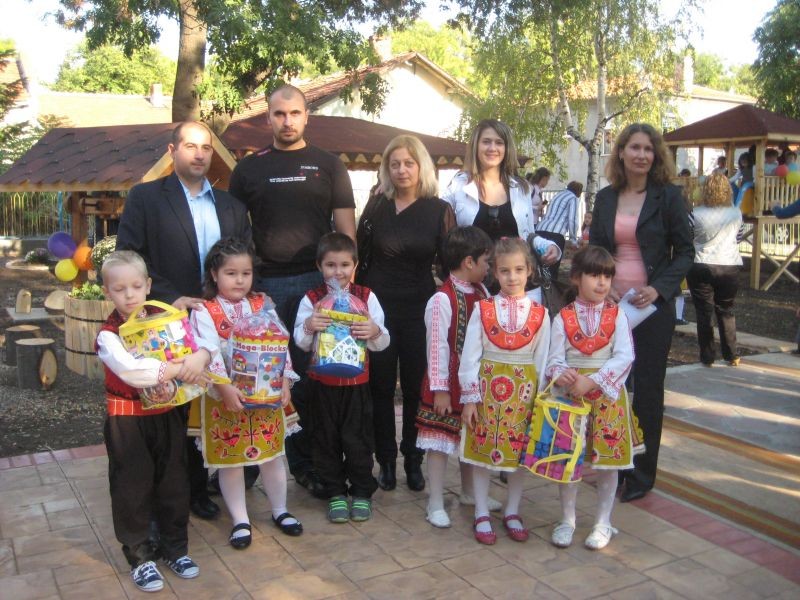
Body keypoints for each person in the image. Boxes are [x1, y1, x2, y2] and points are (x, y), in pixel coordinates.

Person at [116, 120, 252, 521]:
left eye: (206, 147)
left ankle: (221, 477)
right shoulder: (145, 198)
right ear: (172, 151)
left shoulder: (231, 206)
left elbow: (245, 261)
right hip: (169, 320)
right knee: (178, 410)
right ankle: (183, 490)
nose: (199, 154)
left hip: (221, 320)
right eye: (190, 146)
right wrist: (167, 297)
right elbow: (129, 255)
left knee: (220, 399)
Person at [229, 84, 356, 499]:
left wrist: (342, 287)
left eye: (295, 113)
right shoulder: (248, 169)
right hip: (262, 289)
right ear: (268, 117)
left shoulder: (329, 165)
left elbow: (346, 235)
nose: (287, 121)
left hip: (314, 288)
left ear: (306, 116)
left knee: (306, 382)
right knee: (255, 376)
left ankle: (307, 466)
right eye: (279, 114)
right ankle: (248, 463)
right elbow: (235, 234)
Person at [589, 122, 693, 503]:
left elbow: (685, 252)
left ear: (656, 155)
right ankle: (612, 462)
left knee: (647, 391)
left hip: (652, 308)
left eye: (648, 149)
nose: (641, 155)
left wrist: (659, 289)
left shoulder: (668, 197)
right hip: (610, 305)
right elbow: (596, 250)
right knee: (609, 386)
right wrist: (605, 287)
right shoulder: (605, 198)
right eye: (634, 147)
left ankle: (641, 474)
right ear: (621, 152)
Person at [96, 251, 211, 592]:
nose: (129, 295)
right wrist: (180, 368)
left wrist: (202, 355)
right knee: (132, 487)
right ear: (107, 292)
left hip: (166, 415)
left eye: (135, 286)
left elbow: (197, 344)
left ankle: (175, 548)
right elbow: (133, 371)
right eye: (119, 289)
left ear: (148, 285)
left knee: (174, 482)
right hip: (128, 421)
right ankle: (140, 556)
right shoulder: (108, 334)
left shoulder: (164, 319)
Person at [356, 134, 455, 492]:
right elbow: (361, 258)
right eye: (394, 164)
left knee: (415, 387)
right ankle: (385, 460)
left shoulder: (438, 210)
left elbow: (449, 264)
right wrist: (358, 306)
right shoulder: (376, 206)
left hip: (419, 310)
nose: (401, 170)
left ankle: (414, 460)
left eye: (408, 163)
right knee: (380, 387)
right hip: (378, 311)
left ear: (420, 166)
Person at [189, 238, 303, 549]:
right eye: (231, 273)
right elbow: (207, 350)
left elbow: (281, 341)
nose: (239, 280)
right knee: (231, 460)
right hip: (225, 397)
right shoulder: (204, 310)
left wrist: (285, 380)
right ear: (214, 274)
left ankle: (280, 510)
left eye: (246, 273)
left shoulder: (262, 304)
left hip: (266, 396)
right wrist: (224, 387)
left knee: (272, 455)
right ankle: (240, 520)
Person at [546, 246, 642, 550]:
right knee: (569, 460)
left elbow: (625, 356)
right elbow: (553, 358)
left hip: (607, 399)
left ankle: (603, 522)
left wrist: (594, 381)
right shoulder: (562, 317)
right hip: (572, 399)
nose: (602, 282)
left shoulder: (618, 316)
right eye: (594, 275)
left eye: (607, 276)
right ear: (576, 277)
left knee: (608, 463)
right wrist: (561, 373)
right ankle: (567, 520)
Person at [459, 238, 551, 545]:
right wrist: (470, 398)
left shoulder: (540, 314)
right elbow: (470, 356)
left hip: (523, 396)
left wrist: (539, 401)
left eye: (519, 270)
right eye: (505, 271)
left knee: (518, 455)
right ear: (495, 273)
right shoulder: (483, 309)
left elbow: (542, 360)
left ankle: (512, 510)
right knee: (482, 451)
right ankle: (481, 511)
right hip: (486, 392)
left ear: (529, 271)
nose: (512, 277)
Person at [293, 233, 389, 522]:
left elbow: (382, 341)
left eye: (345, 265)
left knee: (358, 440)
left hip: (357, 385)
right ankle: (335, 492)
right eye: (330, 265)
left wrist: (373, 331)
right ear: (319, 266)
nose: (338, 272)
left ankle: (361, 491)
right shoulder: (312, 300)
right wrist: (310, 325)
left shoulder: (366, 297)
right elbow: (300, 342)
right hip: (322, 386)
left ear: (355, 265)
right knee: (325, 440)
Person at [415, 226, 503, 528]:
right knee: (439, 442)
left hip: (472, 382)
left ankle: (469, 492)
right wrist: (440, 388)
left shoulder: (482, 292)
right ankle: (435, 502)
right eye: (486, 261)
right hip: (446, 382)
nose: (489, 268)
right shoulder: (442, 300)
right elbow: (436, 347)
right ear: (468, 261)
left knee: (471, 437)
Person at [686, 172, 744, 367]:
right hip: (729, 264)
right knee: (726, 310)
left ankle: (708, 356)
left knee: (704, 313)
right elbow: (738, 238)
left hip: (701, 263)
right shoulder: (736, 213)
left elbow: (688, 236)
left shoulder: (695, 213)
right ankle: (732, 354)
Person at [535, 181, 584, 279]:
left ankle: (537, 286)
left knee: (538, 265)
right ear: (578, 191)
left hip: (540, 230)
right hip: (556, 234)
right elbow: (572, 220)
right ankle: (550, 287)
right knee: (551, 267)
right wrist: (573, 239)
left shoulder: (558, 195)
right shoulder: (573, 198)